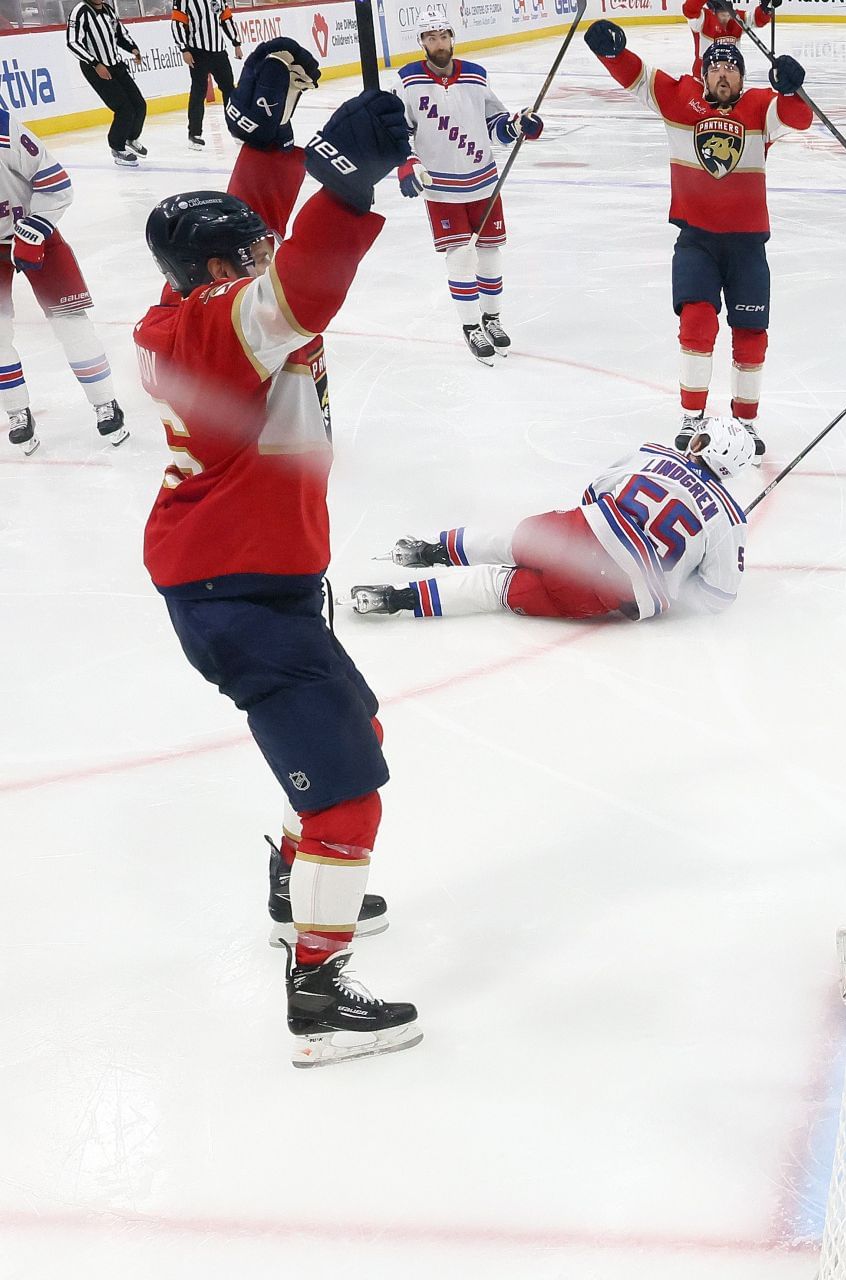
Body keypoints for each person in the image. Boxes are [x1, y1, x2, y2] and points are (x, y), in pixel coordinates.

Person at [138, 38, 420, 1068]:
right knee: (351, 793)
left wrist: (265, 145)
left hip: (246, 582)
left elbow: (254, 243)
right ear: (220, 277)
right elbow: (304, 283)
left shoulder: (194, 309)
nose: (261, 256)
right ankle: (317, 986)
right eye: (245, 255)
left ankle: (296, 877)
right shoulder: (229, 326)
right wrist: (340, 189)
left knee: (359, 729)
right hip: (240, 594)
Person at [584, 18, 814, 461]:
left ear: (743, 78)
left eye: (732, 68)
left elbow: (798, 119)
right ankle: (692, 418)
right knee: (696, 323)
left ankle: (746, 423)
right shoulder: (678, 99)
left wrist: (792, 89)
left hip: (748, 245)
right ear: (704, 73)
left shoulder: (760, 108)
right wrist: (610, 52)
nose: (724, 74)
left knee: (751, 333)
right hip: (697, 241)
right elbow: (636, 76)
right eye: (716, 68)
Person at [347, 418, 752, 621]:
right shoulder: (731, 519)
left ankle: (426, 550)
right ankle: (394, 599)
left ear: (701, 442)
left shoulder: (654, 452)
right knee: (496, 587)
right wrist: (686, 569)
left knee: (506, 541)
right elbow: (717, 598)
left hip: (575, 535)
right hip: (608, 593)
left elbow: (593, 492)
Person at [395, 4, 544, 365]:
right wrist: (407, 162)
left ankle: (492, 319)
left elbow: (497, 123)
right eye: (431, 38)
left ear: (452, 38)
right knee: (460, 257)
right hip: (441, 187)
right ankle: (470, 326)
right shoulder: (407, 80)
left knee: (490, 255)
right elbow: (400, 130)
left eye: (444, 36)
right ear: (422, 43)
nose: (439, 43)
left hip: (483, 182)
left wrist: (519, 125)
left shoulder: (476, 75)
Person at [1, 109, 127, 455]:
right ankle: (16, 411)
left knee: (70, 322)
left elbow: (56, 185)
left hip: (35, 233)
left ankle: (106, 403)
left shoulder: (5, 132)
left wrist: (33, 230)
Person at [65, 0, 146, 166]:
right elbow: (73, 43)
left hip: (116, 65)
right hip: (96, 68)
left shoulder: (108, 10)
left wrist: (133, 49)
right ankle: (117, 148)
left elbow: (120, 34)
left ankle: (130, 139)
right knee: (124, 108)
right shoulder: (80, 12)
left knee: (139, 104)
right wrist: (95, 64)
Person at [172, 0, 242, 150]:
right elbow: (177, 24)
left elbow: (226, 19)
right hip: (198, 51)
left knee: (229, 90)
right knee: (199, 91)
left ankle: (236, 130)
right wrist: (184, 49)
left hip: (219, 51)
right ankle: (194, 134)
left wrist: (236, 43)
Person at [682, 0, 772, 73]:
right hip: (705, 74)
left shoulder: (736, 17)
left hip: (732, 73)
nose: (726, 18)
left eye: (728, 15)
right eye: (723, 15)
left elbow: (757, 19)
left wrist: (766, 9)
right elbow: (689, 10)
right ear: (713, 11)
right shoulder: (703, 18)